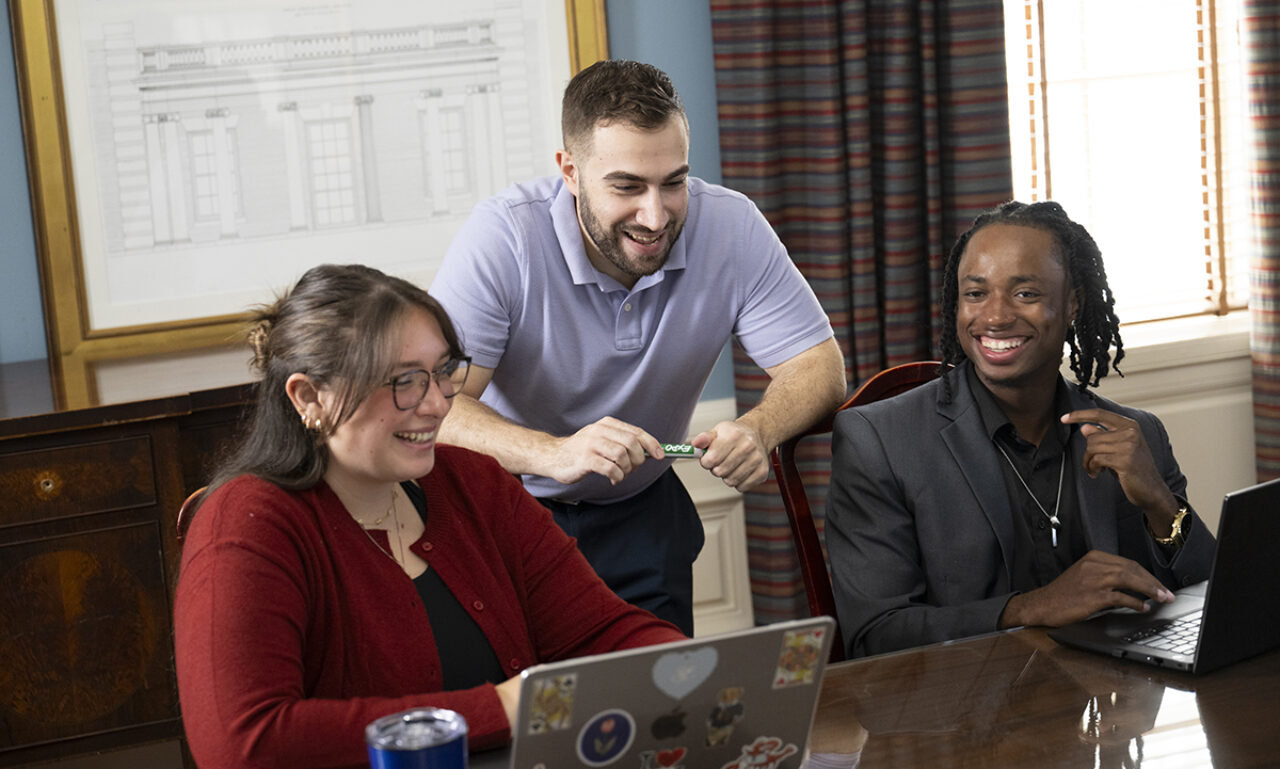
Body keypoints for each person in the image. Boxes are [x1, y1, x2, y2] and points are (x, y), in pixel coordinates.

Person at [173, 264, 684, 768]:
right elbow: (244, 745)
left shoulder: (475, 484)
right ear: (310, 398)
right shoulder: (245, 524)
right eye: (405, 382)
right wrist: (506, 707)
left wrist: (697, 673)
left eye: (443, 373)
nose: (438, 404)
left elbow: (603, 633)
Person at [430, 59, 846, 635]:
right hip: (507, 512)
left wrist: (759, 428)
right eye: (627, 186)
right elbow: (435, 404)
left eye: (673, 182)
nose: (655, 216)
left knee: (658, 713)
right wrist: (555, 453)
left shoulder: (732, 225)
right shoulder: (503, 237)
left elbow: (819, 366)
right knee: (523, 714)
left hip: (645, 516)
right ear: (570, 171)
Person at [825, 200, 1216, 658]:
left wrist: (1160, 505)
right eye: (975, 294)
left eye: (1025, 293)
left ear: (1072, 303)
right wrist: (1032, 608)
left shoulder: (1137, 434)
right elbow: (876, 636)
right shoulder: (878, 442)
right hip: (958, 714)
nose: (994, 317)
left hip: (1111, 710)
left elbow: (1215, 600)